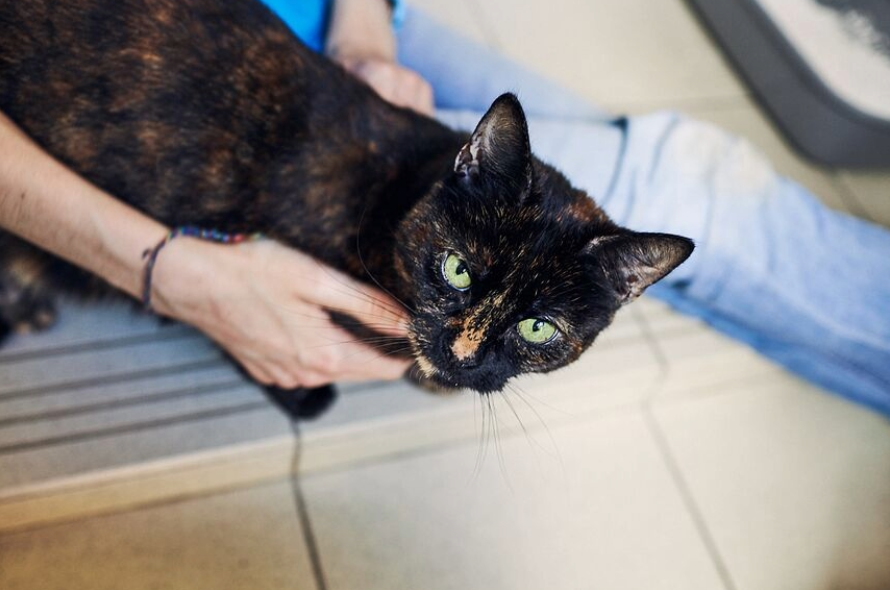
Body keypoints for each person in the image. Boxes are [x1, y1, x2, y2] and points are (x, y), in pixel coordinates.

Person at [1, 0, 888, 414]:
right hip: (216, 77)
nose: (466, 347)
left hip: (354, 36)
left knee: (691, 211)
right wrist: (162, 271)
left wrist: (363, 31)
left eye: (532, 336)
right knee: (700, 188)